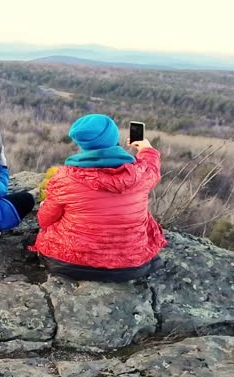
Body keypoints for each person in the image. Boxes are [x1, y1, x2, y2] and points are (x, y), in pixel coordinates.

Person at [29, 114, 167, 281]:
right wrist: (147, 149)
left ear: (81, 143)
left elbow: (44, 220)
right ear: (113, 138)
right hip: (132, 264)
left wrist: (46, 204)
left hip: (69, 263)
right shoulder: (141, 173)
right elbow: (152, 167)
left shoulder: (65, 178)